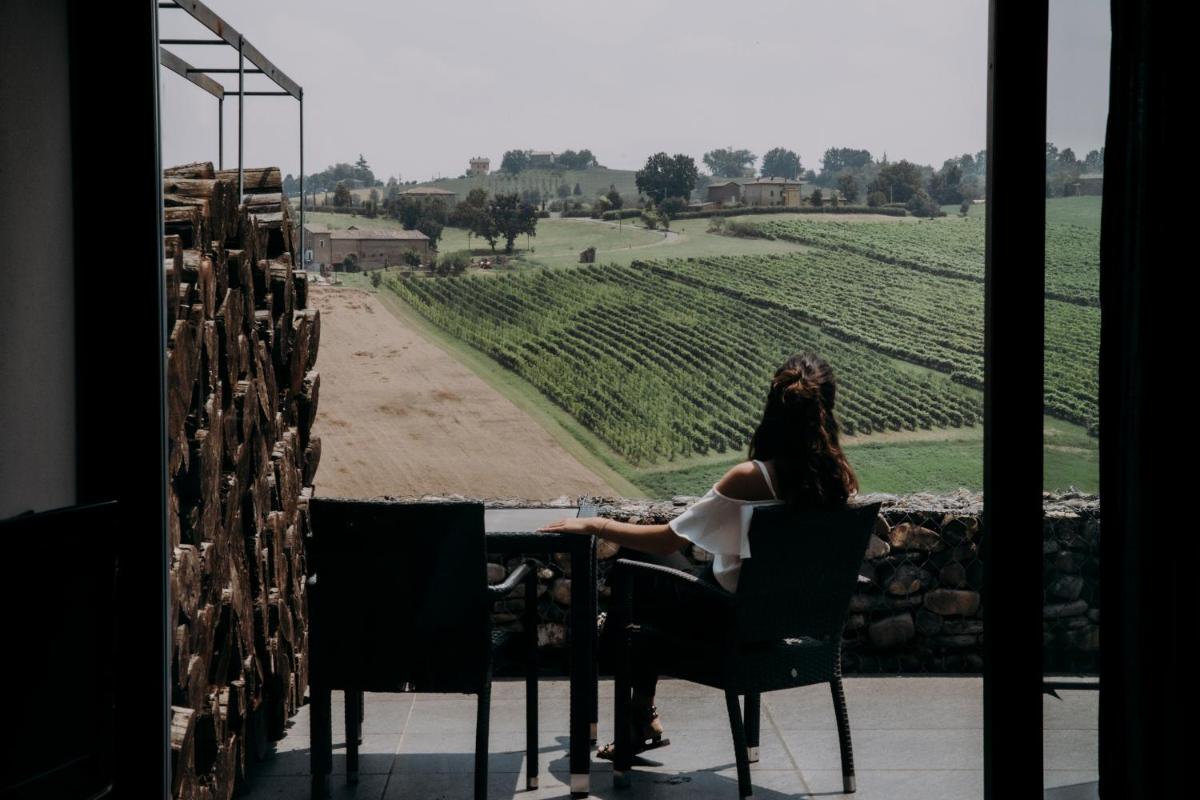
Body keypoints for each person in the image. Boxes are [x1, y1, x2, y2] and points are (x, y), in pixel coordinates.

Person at [537, 351, 860, 761]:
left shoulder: (752, 478)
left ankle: (621, 671)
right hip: (777, 622)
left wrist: (597, 525)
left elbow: (666, 540)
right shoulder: (839, 481)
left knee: (634, 568)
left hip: (725, 618)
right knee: (644, 589)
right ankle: (637, 705)